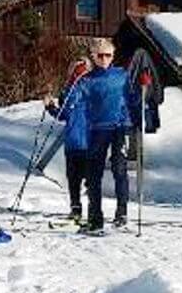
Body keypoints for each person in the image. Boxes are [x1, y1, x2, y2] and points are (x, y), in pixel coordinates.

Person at [57, 37, 139, 233]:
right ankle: (95, 219)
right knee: (94, 175)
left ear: (113, 56)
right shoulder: (87, 80)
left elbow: (134, 98)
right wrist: (73, 81)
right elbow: (69, 104)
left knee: (119, 169)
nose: (104, 59)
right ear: (93, 57)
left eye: (108, 55)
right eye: (100, 56)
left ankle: (122, 213)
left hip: (120, 127)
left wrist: (143, 89)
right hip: (97, 129)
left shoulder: (122, 76)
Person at [50, 56, 90, 225]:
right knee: (73, 178)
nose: (77, 73)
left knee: (90, 179)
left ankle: (93, 210)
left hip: (89, 142)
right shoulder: (68, 90)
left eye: (81, 69)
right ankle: (75, 209)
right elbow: (64, 114)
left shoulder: (91, 88)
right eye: (75, 69)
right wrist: (50, 107)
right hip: (73, 141)